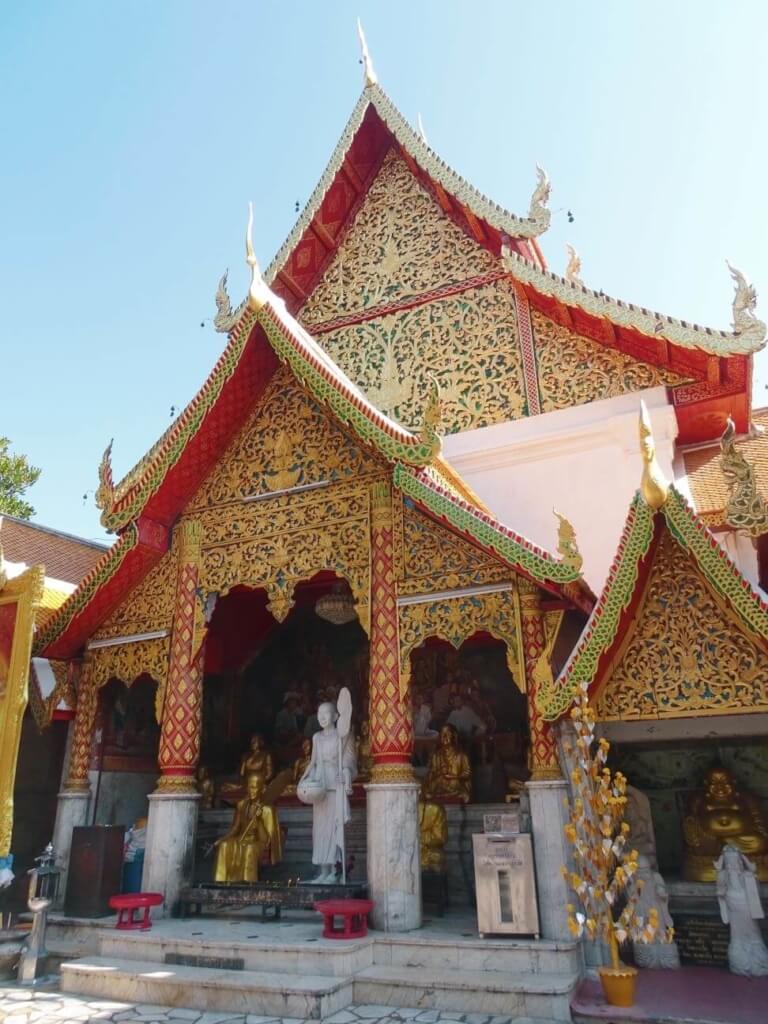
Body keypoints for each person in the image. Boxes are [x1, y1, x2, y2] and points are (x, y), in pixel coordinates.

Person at [298, 701, 357, 883]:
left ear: (336, 716)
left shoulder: (343, 736)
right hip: (320, 787)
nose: (322, 717)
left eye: (326, 713)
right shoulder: (316, 737)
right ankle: (323, 871)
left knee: (334, 831)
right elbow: (313, 762)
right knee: (320, 832)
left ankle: (335, 871)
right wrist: (303, 779)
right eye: (319, 713)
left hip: (335, 787)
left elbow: (350, 760)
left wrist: (345, 772)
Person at [683, 766, 768, 881]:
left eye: (724, 782)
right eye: (714, 783)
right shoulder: (698, 799)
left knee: (758, 842)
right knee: (698, 846)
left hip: (741, 840)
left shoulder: (746, 798)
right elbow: (691, 822)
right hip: (711, 841)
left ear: (733, 782)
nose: (720, 787)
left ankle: (737, 856)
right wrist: (693, 835)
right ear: (706, 783)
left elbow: (760, 825)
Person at [213, 772, 283, 883]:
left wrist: (259, 822)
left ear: (262, 788)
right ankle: (222, 879)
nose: (251, 791)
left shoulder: (267, 810)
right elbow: (235, 828)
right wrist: (222, 839)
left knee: (249, 848)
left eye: (255, 788)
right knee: (225, 845)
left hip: (258, 842)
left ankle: (248, 880)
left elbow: (267, 840)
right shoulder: (241, 805)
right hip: (242, 838)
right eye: (249, 787)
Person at [716, 844, 768, 976]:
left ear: (739, 861)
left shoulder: (747, 875)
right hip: (733, 907)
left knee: (752, 930)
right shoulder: (723, 875)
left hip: (746, 905)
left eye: (735, 861)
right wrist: (723, 893)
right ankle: (740, 959)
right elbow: (720, 891)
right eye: (729, 862)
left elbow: (754, 882)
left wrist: (746, 863)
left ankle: (757, 958)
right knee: (737, 933)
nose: (732, 865)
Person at [422, 724, 472, 803]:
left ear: (454, 736)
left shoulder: (461, 755)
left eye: (448, 734)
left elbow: (468, 773)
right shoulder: (436, 755)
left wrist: (454, 776)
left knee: (455, 783)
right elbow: (432, 772)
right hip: (440, 781)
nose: (444, 737)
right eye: (442, 734)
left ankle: (453, 793)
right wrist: (440, 772)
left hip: (454, 781)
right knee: (432, 784)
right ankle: (443, 794)